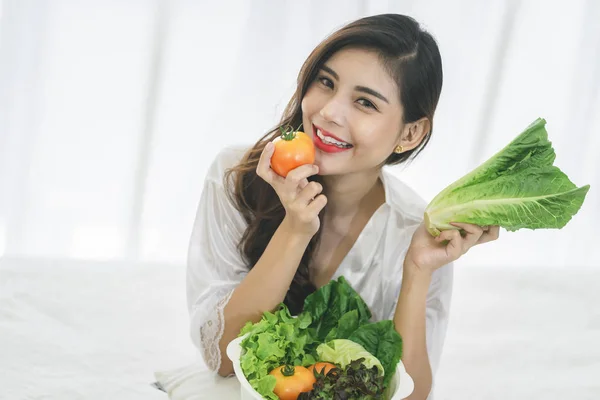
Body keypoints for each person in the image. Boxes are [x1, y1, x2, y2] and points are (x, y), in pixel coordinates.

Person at [186, 13, 499, 399]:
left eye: (365, 102)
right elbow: (221, 358)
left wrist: (418, 269)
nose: (329, 112)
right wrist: (296, 229)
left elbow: (413, 396)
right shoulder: (237, 177)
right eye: (326, 82)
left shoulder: (414, 232)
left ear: (410, 133)